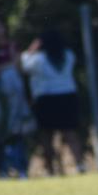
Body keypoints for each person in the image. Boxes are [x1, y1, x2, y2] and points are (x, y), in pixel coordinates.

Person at [21, 30, 86, 175]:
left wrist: (31, 49)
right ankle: (80, 165)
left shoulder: (38, 59)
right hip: (68, 97)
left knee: (46, 137)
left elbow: (24, 65)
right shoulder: (68, 55)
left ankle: (50, 169)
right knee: (70, 133)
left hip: (46, 99)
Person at [0, 17, 35, 177]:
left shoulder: (12, 46)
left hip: (13, 100)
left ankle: (20, 168)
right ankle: (1, 169)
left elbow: (18, 67)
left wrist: (10, 58)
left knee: (15, 132)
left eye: (0, 27)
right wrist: (8, 65)